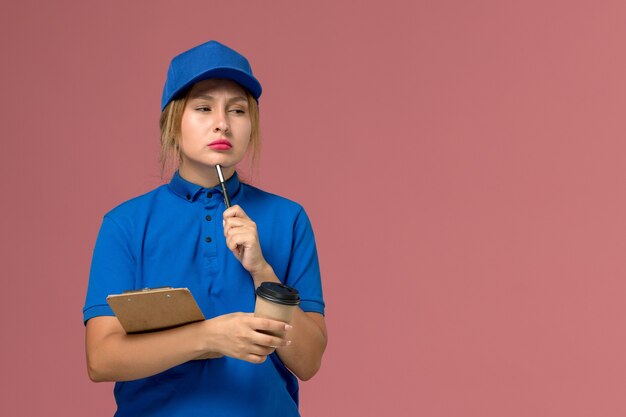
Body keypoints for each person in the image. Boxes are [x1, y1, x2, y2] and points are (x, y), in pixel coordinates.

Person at [83, 40, 327, 416]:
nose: (222, 123)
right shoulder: (125, 224)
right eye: (203, 108)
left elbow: (308, 361)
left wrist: (262, 270)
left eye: (238, 110)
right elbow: (101, 358)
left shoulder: (288, 218)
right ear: (172, 121)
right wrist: (209, 337)